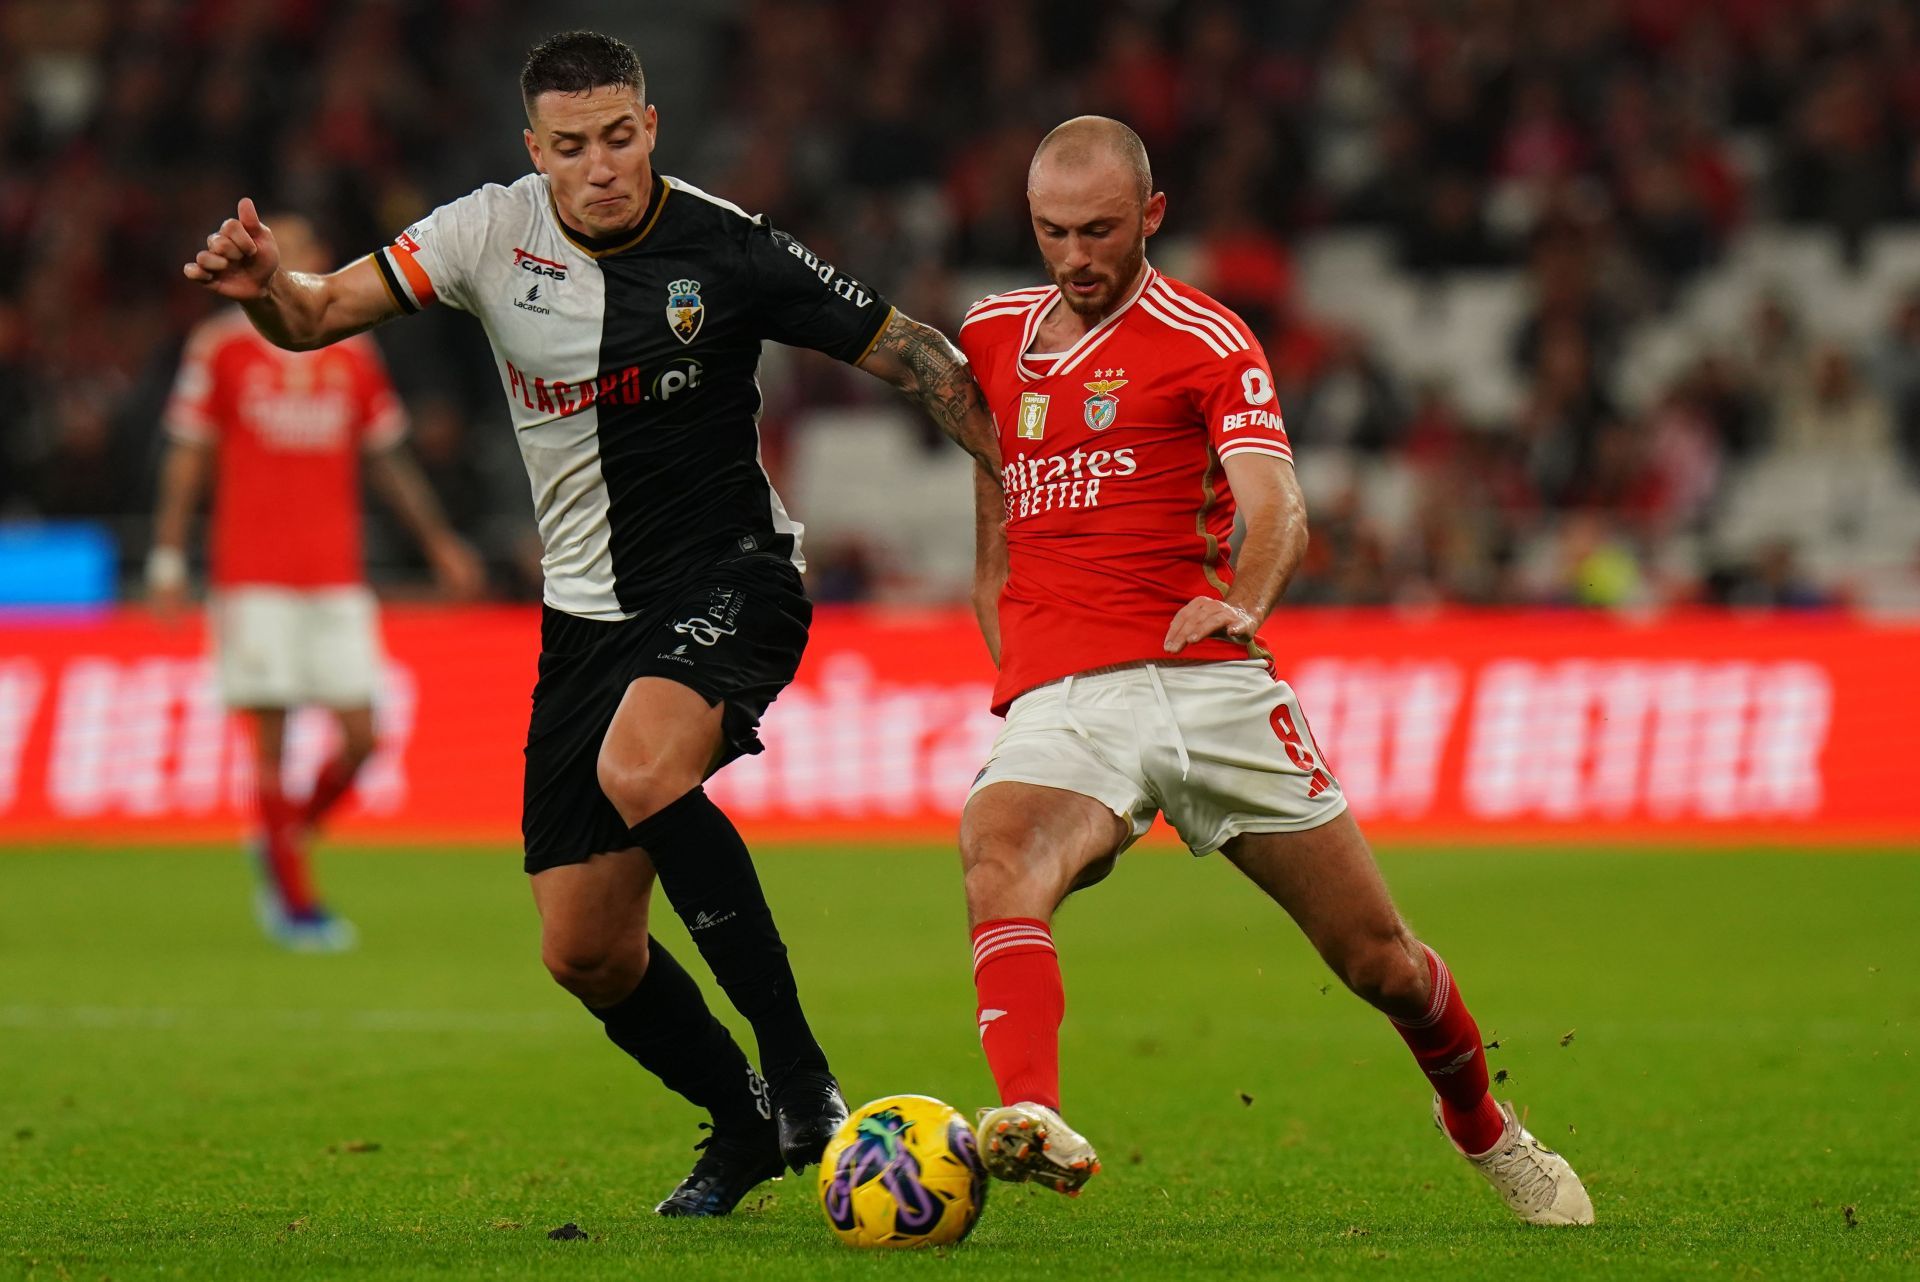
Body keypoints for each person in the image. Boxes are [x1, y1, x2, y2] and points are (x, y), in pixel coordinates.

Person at [181, 31, 1000, 1216]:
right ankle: (740, 1123)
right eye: (572, 146)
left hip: (733, 575)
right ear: (536, 150)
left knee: (640, 764)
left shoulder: (727, 245)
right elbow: (314, 317)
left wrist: (1036, 485)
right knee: (586, 950)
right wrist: (268, 292)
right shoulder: (483, 231)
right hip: (583, 620)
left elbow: (914, 356)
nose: (601, 166)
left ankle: (803, 1077)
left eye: (620, 137)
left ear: (652, 126)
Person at [954, 116, 1593, 1227]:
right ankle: (1029, 1114)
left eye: (1099, 230)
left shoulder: (1207, 336)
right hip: (1071, 693)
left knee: (1382, 962)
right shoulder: (993, 335)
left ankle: (1483, 1124)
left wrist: (1241, 602)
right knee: (999, 853)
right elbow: (994, 521)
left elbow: (1276, 511)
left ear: (1151, 217)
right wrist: (1021, 658)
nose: (1075, 257)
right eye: (1053, 232)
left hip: (1210, 680)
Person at [152, 211, 484, 953]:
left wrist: (440, 543)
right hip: (252, 574)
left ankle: (282, 837)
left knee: (364, 737)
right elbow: (187, 456)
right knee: (269, 742)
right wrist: (169, 556)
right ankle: (295, 904)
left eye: (300, 248)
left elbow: (387, 458)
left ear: (317, 261)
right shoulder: (222, 349)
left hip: (335, 575)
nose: (288, 257)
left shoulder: (351, 354)